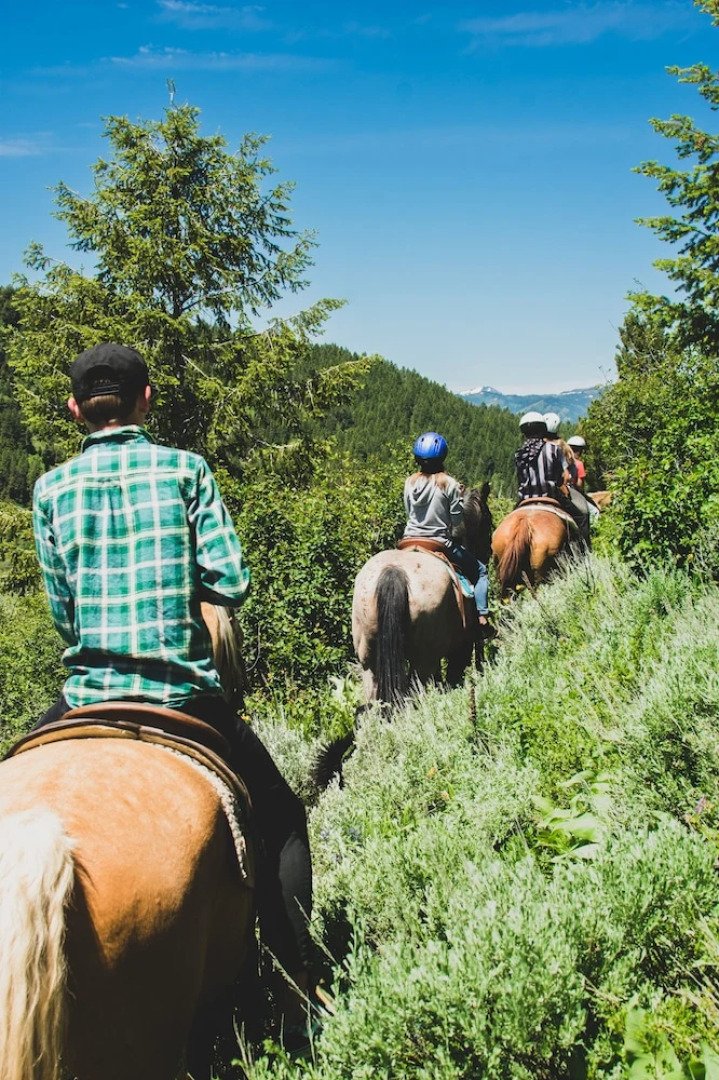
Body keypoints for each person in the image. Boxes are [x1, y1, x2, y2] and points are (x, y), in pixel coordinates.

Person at [32, 342, 314, 1044]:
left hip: (86, 692)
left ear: (75, 410)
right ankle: (292, 995)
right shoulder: (185, 470)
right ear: (145, 400)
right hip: (179, 694)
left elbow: (62, 612)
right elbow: (232, 581)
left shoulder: (50, 489)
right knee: (282, 823)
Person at [403, 432, 492, 634]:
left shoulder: (409, 482)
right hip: (439, 542)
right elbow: (456, 522)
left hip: (408, 540)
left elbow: (409, 512)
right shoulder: (449, 484)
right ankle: (482, 618)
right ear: (443, 456)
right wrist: (458, 499)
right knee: (480, 571)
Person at [514, 412, 590, 551]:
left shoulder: (519, 452)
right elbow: (562, 477)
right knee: (581, 517)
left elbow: (520, 478)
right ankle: (583, 556)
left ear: (524, 432)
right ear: (543, 429)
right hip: (551, 494)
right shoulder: (553, 449)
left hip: (524, 498)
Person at [542, 413, 591, 551]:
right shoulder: (562, 446)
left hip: (533, 490)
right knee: (583, 514)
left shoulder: (534, 445)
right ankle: (584, 551)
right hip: (558, 489)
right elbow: (566, 475)